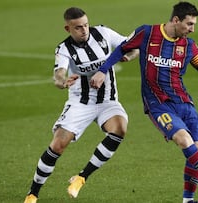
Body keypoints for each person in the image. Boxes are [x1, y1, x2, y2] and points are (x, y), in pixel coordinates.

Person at [90, 2, 198, 203]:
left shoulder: (189, 45)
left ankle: (188, 200)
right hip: (158, 103)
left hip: (185, 103)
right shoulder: (147, 33)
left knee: (196, 150)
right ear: (176, 20)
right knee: (183, 140)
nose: (192, 29)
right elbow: (121, 49)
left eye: (194, 24)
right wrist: (102, 70)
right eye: (189, 24)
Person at [24, 7, 138, 203]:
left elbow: (132, 46)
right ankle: (33, 193)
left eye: (85, 25)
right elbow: (59, 74)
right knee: (58, 144)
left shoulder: (103, 33)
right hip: (80, 103)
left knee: (119, 128)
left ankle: (81, 178)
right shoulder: (64, 49)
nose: (84, 30)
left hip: (108, 101)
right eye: (78, 27)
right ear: (68, 28)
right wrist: (62, 81)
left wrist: (130, 55)